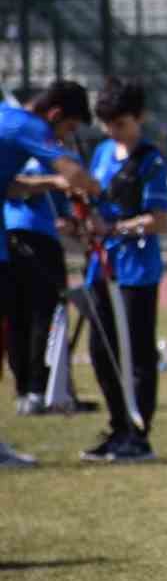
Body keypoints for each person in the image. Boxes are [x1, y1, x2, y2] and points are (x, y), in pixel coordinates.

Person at [0, 80, 100, 467]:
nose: (65, 139)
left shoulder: (6, 120)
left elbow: (10, 187)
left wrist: (49, 182)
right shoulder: (30, 126)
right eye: (69, 130)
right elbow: (74, 173)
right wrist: (98, 192)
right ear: (56, 115)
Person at [79, 78, 167, 463]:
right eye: (107, 124)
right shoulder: (101, 153)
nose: (112, 131)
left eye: (120, 123)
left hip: (136, 270)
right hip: (101, 267)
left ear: (138, 118)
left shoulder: (151, 160)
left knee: (137, 351)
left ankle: (138, 434)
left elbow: (159, 219)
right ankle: (117, 425)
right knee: (101, 350)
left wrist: (117, 228)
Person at [7, 152, 80, 415]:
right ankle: (36, 390)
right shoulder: (33, 155)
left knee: (26, 317)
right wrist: (53, 182)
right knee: (39, 315)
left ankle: (33, 389)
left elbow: (66, 210)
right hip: (31, 240)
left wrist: (69, 220)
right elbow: (20, 189)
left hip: (23, 238)